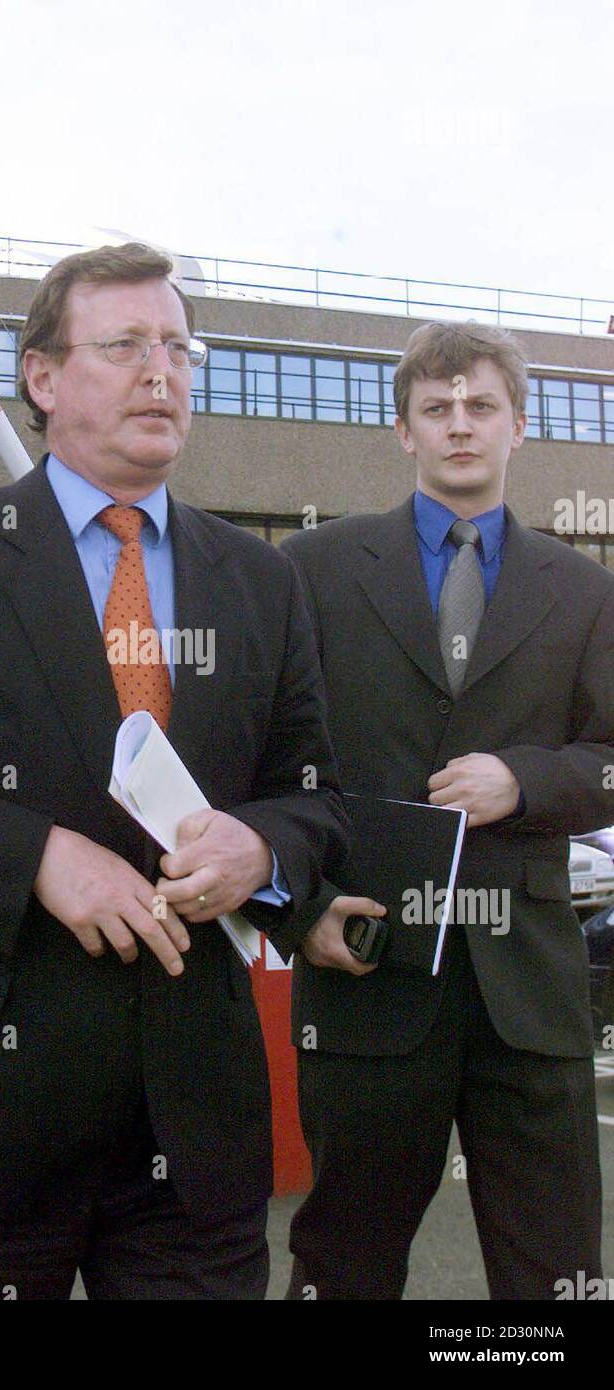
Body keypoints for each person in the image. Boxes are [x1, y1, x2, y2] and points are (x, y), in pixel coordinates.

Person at [0, 242, 348, 1301]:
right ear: (40, 378)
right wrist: (33, 852)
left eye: (178, 346)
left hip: (192, 1123)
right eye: (124, 344)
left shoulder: (261, 580)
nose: (160, 370)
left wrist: (263, 845)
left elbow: (318, 800)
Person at [271, 320, 613, 1301]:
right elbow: (257, 763)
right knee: (340, 1267)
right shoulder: (314, 569)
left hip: (529, 999)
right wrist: (296, 907)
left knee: (554, 1276)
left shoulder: (585, 591)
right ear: (402, 430)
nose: (458, 425)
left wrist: (526, 780)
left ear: (516, 425)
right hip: (366, 976)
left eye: (478, 406)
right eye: (436, 408)